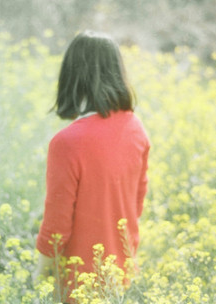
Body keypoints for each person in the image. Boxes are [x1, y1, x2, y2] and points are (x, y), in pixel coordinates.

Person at [35, 30, 150, 301]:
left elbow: (56, 228)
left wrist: (39, 276)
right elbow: (136, 206)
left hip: (79, 284)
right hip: (120, 278)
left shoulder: (67, 142)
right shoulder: (136, 128)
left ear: (72, 76)